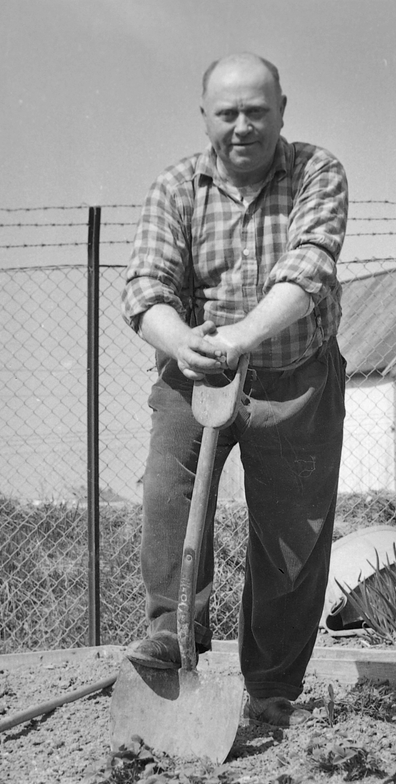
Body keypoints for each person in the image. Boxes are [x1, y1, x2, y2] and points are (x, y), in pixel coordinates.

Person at [121, 53, 349, 727]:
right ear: (205, 119)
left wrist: (243, 335)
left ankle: (273, 689)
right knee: (169, 494)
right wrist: (179, 340)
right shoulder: (175, 189)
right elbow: (145, 287)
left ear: (282, 110)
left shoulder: (317, 171)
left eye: (257, 111)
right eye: (228, 114)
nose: (243, 127)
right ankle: (172, 644)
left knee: (291, 538)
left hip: (294, 378)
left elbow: (310, 265)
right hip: (194, 376)